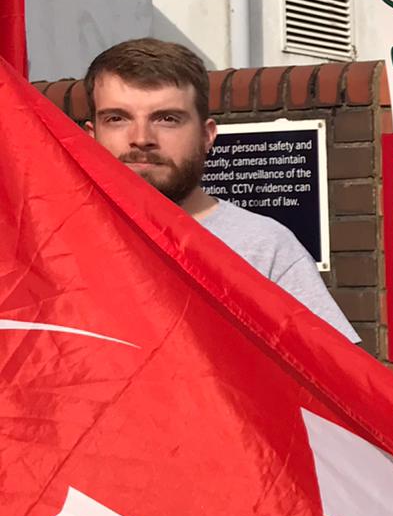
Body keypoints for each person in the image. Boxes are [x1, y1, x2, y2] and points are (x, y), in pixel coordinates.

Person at [84, 38, 360, 343]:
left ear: (206, 135)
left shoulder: (265, 247)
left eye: (167, 119)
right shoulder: (55, 242)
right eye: (117, 119)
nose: (141, 138)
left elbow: (339, 378)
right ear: (90, 135)